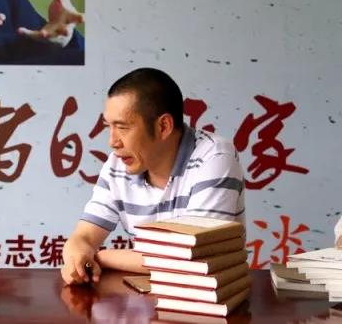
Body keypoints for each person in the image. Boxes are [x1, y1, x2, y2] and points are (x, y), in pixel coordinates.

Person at [61, 68, 245, 285]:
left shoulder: (214, 157)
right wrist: (77, 257)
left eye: (122, 127)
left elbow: (192, 257)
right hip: (143, 295)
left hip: (206, 298)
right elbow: (83, 237)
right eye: (109, 127)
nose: (113, 142)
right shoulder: (118, 164)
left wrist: (100, 256)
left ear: (163, 126)